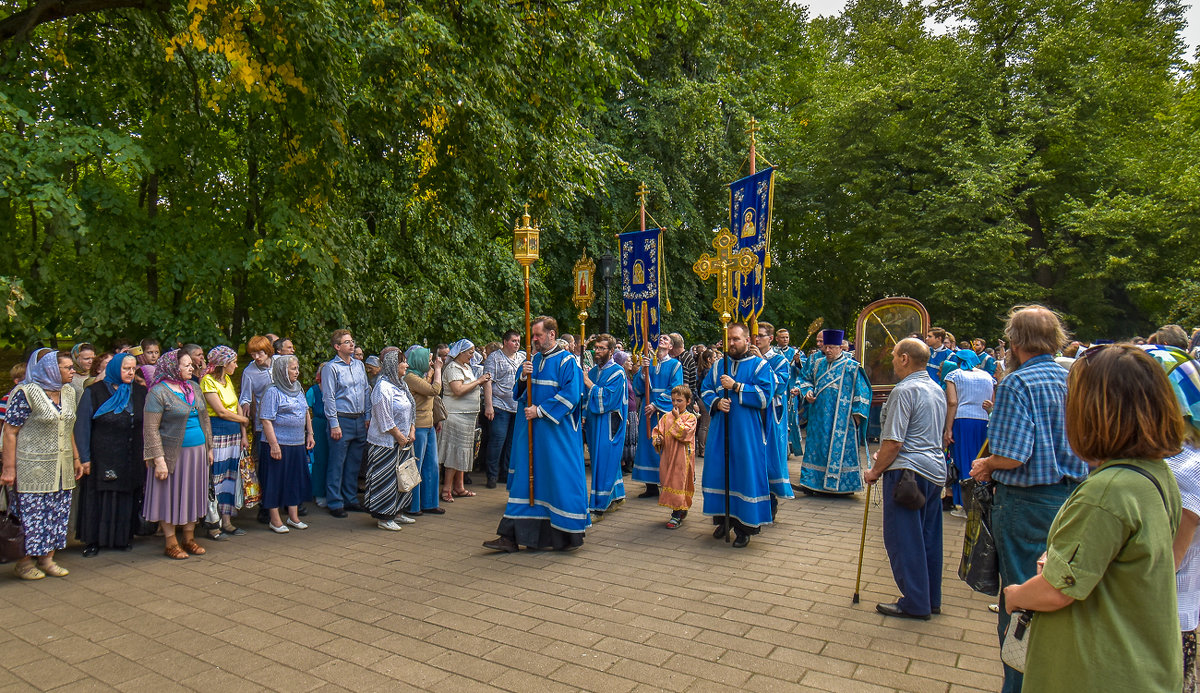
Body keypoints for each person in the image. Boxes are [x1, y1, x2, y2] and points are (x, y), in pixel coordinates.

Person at [1003, 344, 1184, 691]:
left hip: (1093, 669)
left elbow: (1056, 591)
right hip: (1141, 662)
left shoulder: (1106, 491)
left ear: (1094, 412)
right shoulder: (1154, 475)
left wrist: (1015, 595)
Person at [969, 305, 1088, 693]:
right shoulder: (1074, 377)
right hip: (1072, 497)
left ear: (1015, 341)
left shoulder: (1017, 383)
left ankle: (1018, 685)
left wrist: (987, 463)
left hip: (1026, 502)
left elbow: (1014, 454)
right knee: (1058, 592)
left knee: (1021, 600)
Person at [483, 316, 588, 553]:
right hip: (533, 435)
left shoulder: (567, 362)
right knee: (526, 482)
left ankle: (563, 537)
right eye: (533, 335)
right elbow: (517, 394)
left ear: (552, 334)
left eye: (538, 335)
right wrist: (522, 377)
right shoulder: (532, 360)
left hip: (556, 436)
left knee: (557, 481)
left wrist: (540, 410)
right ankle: (510, 536)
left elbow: (572, 395)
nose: (534, 340)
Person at [863, 338, 947, 619]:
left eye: (895, 356)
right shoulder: (936, 389)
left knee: (905, 539)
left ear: (905, 359)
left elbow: (894, 441)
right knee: (928, 538)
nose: (892, 361)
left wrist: (875, 471)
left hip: (907, 474)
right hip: (934, 470)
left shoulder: (904, 390)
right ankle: (929, 597)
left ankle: (914, 601)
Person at [1, 350, 82, 579]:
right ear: (51, 369)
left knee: (56, 513)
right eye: (67, 368)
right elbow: (10, 431)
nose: (72, 371)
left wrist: (76, 458)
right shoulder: (26, 393)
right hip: (31, 467)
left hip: (61, 466)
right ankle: (24, 563)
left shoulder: (68, 392)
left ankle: (47, 559)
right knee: (30, 516)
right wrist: (9, 468)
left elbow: (69, 428)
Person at [700, 324, 773, 547]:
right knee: (719, 471)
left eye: (736, 339)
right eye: (729, 339)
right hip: (721, 427)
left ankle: (745, 528)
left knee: (745, 473)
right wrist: (716, 401)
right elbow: (704, 389)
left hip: (746, 431)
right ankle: (724, 520)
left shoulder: (759, 365)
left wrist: (738, 387)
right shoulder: (718, 366)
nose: (732, 344)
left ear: (747, 340)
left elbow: (765, 397)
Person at [142, 349, 214, 560]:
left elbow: (205, 419)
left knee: (192, 494)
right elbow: (150, 429)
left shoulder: (193, 387)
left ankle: (189, 538)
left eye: (191, 364)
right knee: (169, 497)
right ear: (173, 367)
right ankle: (171, 541)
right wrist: (159, 460)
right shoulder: (158, 392)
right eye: (186, 365)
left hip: (197, 453)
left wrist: (209, 448)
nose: (192, 368)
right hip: (172, 455)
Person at [74, 353, 147, 556]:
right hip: (102, 454)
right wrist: (84, 457)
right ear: (115, 369)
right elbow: (82, 426)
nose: (130, 372)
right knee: (100, 497)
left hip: (130, 454)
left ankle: (121, 538)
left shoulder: (140, 392)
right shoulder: (94, 392)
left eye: (133, 369)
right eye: (126, 369)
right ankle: (94, 540)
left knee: (125, 495)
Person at [795, 329, 871, 495]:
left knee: (841, 451)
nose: (827, 350)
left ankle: (844, 487)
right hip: (818, 416)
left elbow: (863, 391)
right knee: (817, 448)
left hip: (842, 419)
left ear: (840, 348)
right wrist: (807, 391)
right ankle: (812, 483)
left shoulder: (852, 367)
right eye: (825, 347)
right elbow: (804, 379)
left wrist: (858, 414)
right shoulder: (816, 364)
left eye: (831, 347)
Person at [259, 355, 314, 533]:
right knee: (275, 480)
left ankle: (293, 517)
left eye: (297, 368)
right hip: (278, 443)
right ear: (282, 371)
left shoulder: (298, 389)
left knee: (294, 479)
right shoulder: (272, 391)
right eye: (293, 369)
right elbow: (266, 420)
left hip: (297, 442)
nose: (296, 372)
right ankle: (275, 519)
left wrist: (310, 433)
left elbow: (306, 412)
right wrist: (274, 445)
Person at [200, 346, 250, 539]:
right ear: (223, 363)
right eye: (234, 362)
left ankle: (228, 521)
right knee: (216, 478)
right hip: (218, 431)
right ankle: (213, 523)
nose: (236, 366)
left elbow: (236, 405)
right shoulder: (208, 381)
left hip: (234, 432)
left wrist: (243, 433)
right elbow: (219, 411)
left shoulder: (227, 379)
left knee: (231, 476)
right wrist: (243, 420)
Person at [364, 348, 416, 531]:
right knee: (385, 479)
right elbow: (384, 418)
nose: (407, 365)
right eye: (403, 362)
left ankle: (398, 511)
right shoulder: (382, 387)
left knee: (402, 477)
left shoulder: (401, 384)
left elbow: (411, 409)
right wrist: (400, 436)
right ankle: (384, 517)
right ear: (394, 365)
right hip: (386, 442)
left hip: (403, 441)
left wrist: (411, 429)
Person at [321, 329, 369, 518]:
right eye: (347, 342)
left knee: (354, 463)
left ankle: (350, 498)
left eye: (352, 341)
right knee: (337, 462)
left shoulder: (359, 365)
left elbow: (366, 390)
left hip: (359, 418)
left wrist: (367, 416)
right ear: (337, 346)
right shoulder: (330, 368)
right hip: (341, 418)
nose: (352, 344)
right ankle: (334, 501)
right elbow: (329, 397)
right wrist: (334, 424)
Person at [629, 334, 683, 498]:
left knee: (664, 445)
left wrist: (656, 404)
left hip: (663, 412)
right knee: (647, 445)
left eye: (666, 339)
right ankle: (650, 486)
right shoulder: (648, 363)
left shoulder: (675, 365)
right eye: (660, 338)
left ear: (671, 347)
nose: (662, 340)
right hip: (647, 409)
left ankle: (667, 484)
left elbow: (675, 389)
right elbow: (638, 389)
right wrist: (642, 373)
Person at [942, 348, 994, 514]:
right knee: (981, 459)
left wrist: (948, 429)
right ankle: (981, 501)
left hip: (962, 420)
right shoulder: (988, 376)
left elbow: (952, 402)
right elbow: (991, 400)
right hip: (984, 420)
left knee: (963, 460)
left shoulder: (954, 375)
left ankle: (966, 504)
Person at [439, 339, 489, 503]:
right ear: (460, 353)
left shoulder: (466, 367)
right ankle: (446, 489)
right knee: (454, 453)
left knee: (463, 452)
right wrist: (479, 381)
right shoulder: (453, 368)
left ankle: (459, 487)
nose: (472, 355)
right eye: (469, 352)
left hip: (467, 416)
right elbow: (458, 390)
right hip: (455, 415)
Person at [751, 322, 793, 513]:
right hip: (752, 414)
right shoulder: (747, 358)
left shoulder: (780, 360)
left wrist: (761, 361)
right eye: (754, 335)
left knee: (769, 454)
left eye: (760, 335)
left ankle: (771, 499)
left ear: (770, 338)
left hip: (771, 414)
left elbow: (779, 386)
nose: (757, 339)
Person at [584, 334, 627, 519]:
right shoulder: (593, 371)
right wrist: (584, 415)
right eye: (596, 348)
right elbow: (585, 398)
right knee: (602, 461)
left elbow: (608, 399)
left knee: (603, 462)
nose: (598, 351)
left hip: (609, 423)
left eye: (602, 348)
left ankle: (598, 508)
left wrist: (589, 384)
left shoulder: (618, 372)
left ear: (611, 351)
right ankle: (617, 497)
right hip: (594, 423)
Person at [403, 346, 444, 516]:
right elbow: (434, 390)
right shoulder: (410, 377)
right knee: (416, 465)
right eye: (428, 359)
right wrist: (439, 371)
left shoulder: (421, 376)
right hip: (417, 426)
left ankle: (429, 502)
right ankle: (413, 505)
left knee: (431, 465)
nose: (431, 363)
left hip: (428, 424)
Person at [239, 335, 275, 521]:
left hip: (284, 423)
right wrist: (245, 407)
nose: (257, 357)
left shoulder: (280, 363)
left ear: (267, 350)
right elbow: (245, 397)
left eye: (260, 352)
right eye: (253, 354)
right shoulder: (249, 372)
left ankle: (287, 502)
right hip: (263, 424)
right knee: (265, 466)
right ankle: (265, 506)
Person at [482, 330, 524, 489]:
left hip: (517, 405)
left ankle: (505, 473)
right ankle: (491, 474)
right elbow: (487, 381)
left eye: (518, 341)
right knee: (497, 441)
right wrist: (489, 405)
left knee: (512, 443)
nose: (517, 343)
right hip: (499, 405)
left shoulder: (521, 356)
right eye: (514, 340)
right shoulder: (495, 358)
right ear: (505, 342)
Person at [652, 385, 697, 529]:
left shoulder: (691, 418)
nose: (676, 404)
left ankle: (676, 514)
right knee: (667, 482)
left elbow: (685, 435)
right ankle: (681, 508)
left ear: (688, 401)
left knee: (679, 482)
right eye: (673, 400)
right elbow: (658, 432)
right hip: (668, 457)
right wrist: (658, 440)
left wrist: (678, 418)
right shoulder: (665, 417)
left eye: (679, 400)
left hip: (682, 459)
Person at [305, 371, 329, 508]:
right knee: (319, 459)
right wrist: (310, 432)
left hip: (334, 424)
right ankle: (318, 492)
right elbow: (306, 409)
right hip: (319, 425)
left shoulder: (336, 389)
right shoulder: (313, 391)